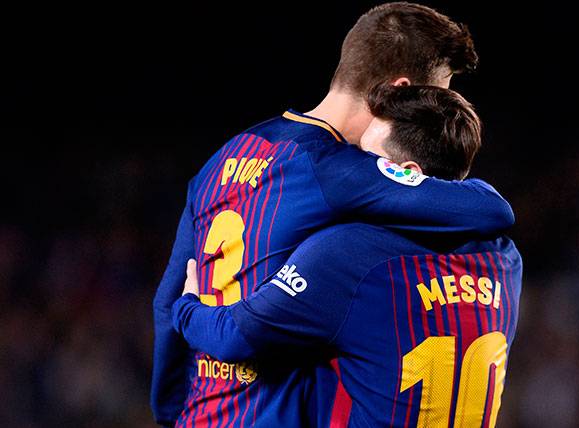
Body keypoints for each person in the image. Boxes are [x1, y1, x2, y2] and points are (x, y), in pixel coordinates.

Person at [151, 3, 515, 427]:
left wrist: (168, 412)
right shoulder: (343, 172)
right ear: (398, 90)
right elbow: (488, 211)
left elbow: (167, 302)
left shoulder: (220, 161)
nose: (431, 113)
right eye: (432, 96)